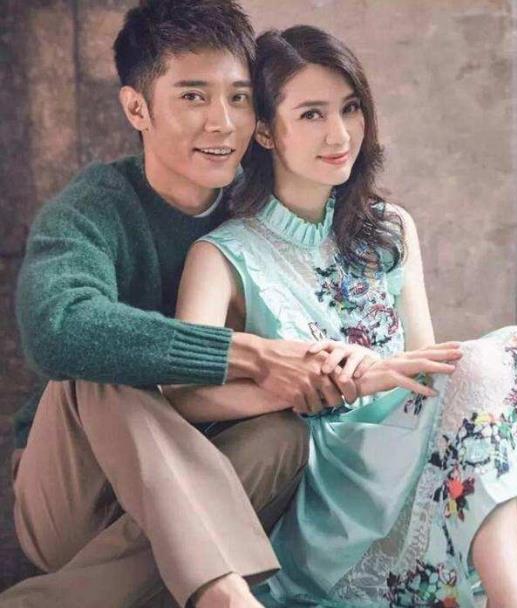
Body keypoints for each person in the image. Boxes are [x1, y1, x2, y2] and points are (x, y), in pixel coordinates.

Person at [168, 25, 517, 608]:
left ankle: (511, 597)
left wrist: (390, 371)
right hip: (332, 489)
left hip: (415, 462)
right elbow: (183, 395)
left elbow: (429, 368)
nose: (340, 133)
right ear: (266, 132)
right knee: (493, 361)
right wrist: (306, 384)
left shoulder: (390, 229)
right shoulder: (222, 255)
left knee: (511, 354)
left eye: (350, 108)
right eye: (312, 114)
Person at [0, 3, 366, 607]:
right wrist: (247, 354)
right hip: (77, 492)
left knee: (283, 438)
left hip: (197, 493)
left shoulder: (260, 211)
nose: (222, 123)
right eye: (193, 97)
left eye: (239, 98)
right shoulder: (94, 208)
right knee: (106, 362)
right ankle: (225, 593)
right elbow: (56, 327)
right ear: (136, 108)